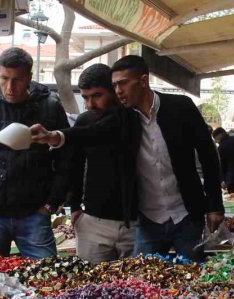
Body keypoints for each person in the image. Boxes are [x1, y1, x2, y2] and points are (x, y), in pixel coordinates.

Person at [32, 55, 223, 259]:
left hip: (186, 215)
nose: (118, 91)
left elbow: (209, 156)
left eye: (123, 83)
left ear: (143, 81)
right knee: (141, 283)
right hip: (147, 221)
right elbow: (92, 132)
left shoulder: (180, 107)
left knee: (192, 278)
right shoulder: (123, 116)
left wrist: (214, 206)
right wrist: (56, 136)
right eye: (114, 85)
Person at [0, 47, 70, 258]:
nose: (10, 87)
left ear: (29, 77)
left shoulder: (50, 107)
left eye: (16, 80)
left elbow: (66, 158)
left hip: (35, 213)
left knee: (45, 278)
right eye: (4, 78)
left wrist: (51, 203)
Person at [65, 64, 137, 262]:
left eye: (96, 96)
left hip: (136, 224)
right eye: (85, 98)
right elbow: (74, 166)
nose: (89, 105)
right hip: (92, 222)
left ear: (114, 91)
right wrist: (75, 208)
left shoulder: (135, 118)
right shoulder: (84, 121)